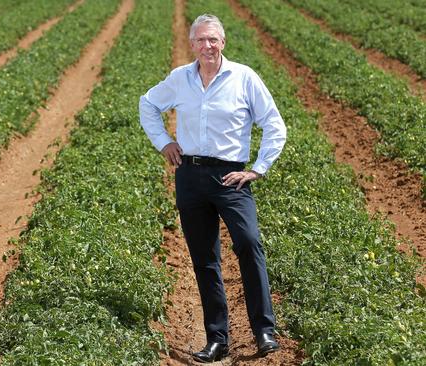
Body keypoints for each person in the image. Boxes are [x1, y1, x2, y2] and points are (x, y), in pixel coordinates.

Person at [139, 14, 287, 363]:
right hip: (189, 176)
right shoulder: (180, 79)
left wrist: (258, 169)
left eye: (213, 40)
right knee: (205, 260)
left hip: (230, 178)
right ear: (192, 44)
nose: (208, 46)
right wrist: (163, 142)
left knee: (249, 244)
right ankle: (217, 338)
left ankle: (264, 330)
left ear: (223, 42)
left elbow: (274, 125)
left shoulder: (244, 78)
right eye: (201, 40)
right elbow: (148, 103)